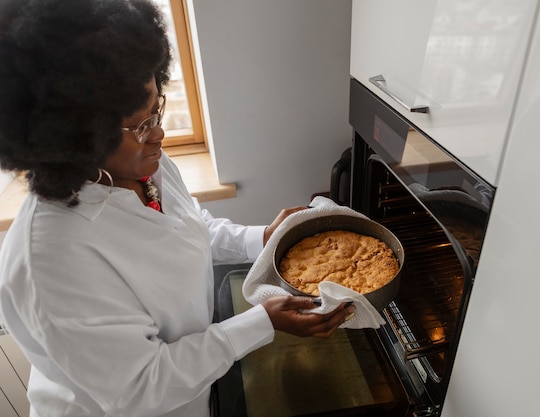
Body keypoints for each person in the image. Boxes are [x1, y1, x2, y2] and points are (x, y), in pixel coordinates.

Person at [0, 1, 355, 416]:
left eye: (157, 108)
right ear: (74, 139)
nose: (159, 132)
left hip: (192, 388)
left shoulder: (142, 164)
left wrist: (261, 238)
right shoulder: (50, 260)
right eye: (139, 124)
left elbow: (186, 227)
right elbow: (142, 388)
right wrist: (261, 322)